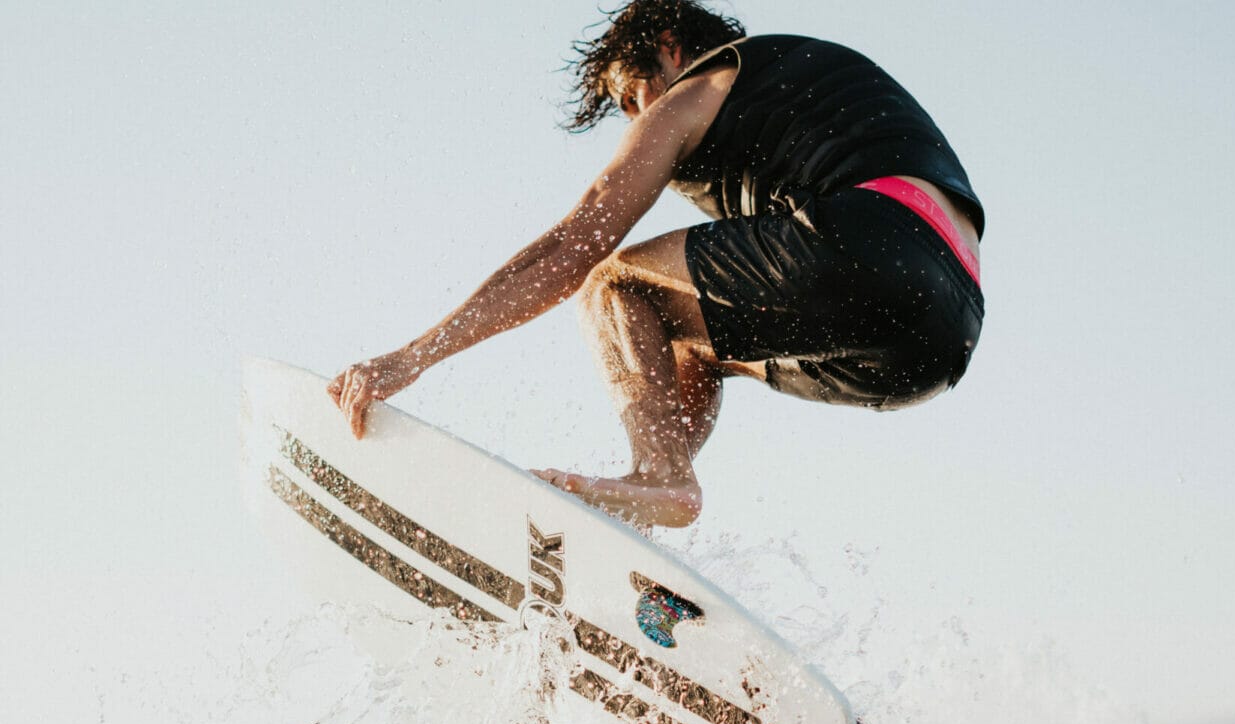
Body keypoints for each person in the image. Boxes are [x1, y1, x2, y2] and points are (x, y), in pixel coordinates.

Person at [328, 1, 984, 528]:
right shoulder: (788, 94)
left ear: (669, 47)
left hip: (875, 240)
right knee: (692, 341)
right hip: (937, 340)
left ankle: (662, 479)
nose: (639, 122)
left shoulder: (706, 81)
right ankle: (643, 511)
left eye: (633, 98)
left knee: (613, 283)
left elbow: (575, 244)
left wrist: (413, 355)